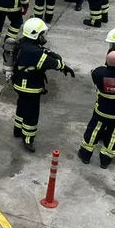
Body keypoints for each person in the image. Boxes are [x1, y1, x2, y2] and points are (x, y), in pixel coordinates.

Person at [11, 18, 75, 152]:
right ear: (35, 35)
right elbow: (51, 63)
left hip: (19, 83)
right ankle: (28, 139)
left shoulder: (23, 44)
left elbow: (43, 52)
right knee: (32, 114)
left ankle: (17, 130)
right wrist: (64, 67)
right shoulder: (35, 52)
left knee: (22, 106)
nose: (43, 36)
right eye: (42, 34)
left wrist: (51, 53)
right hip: (30, 87)